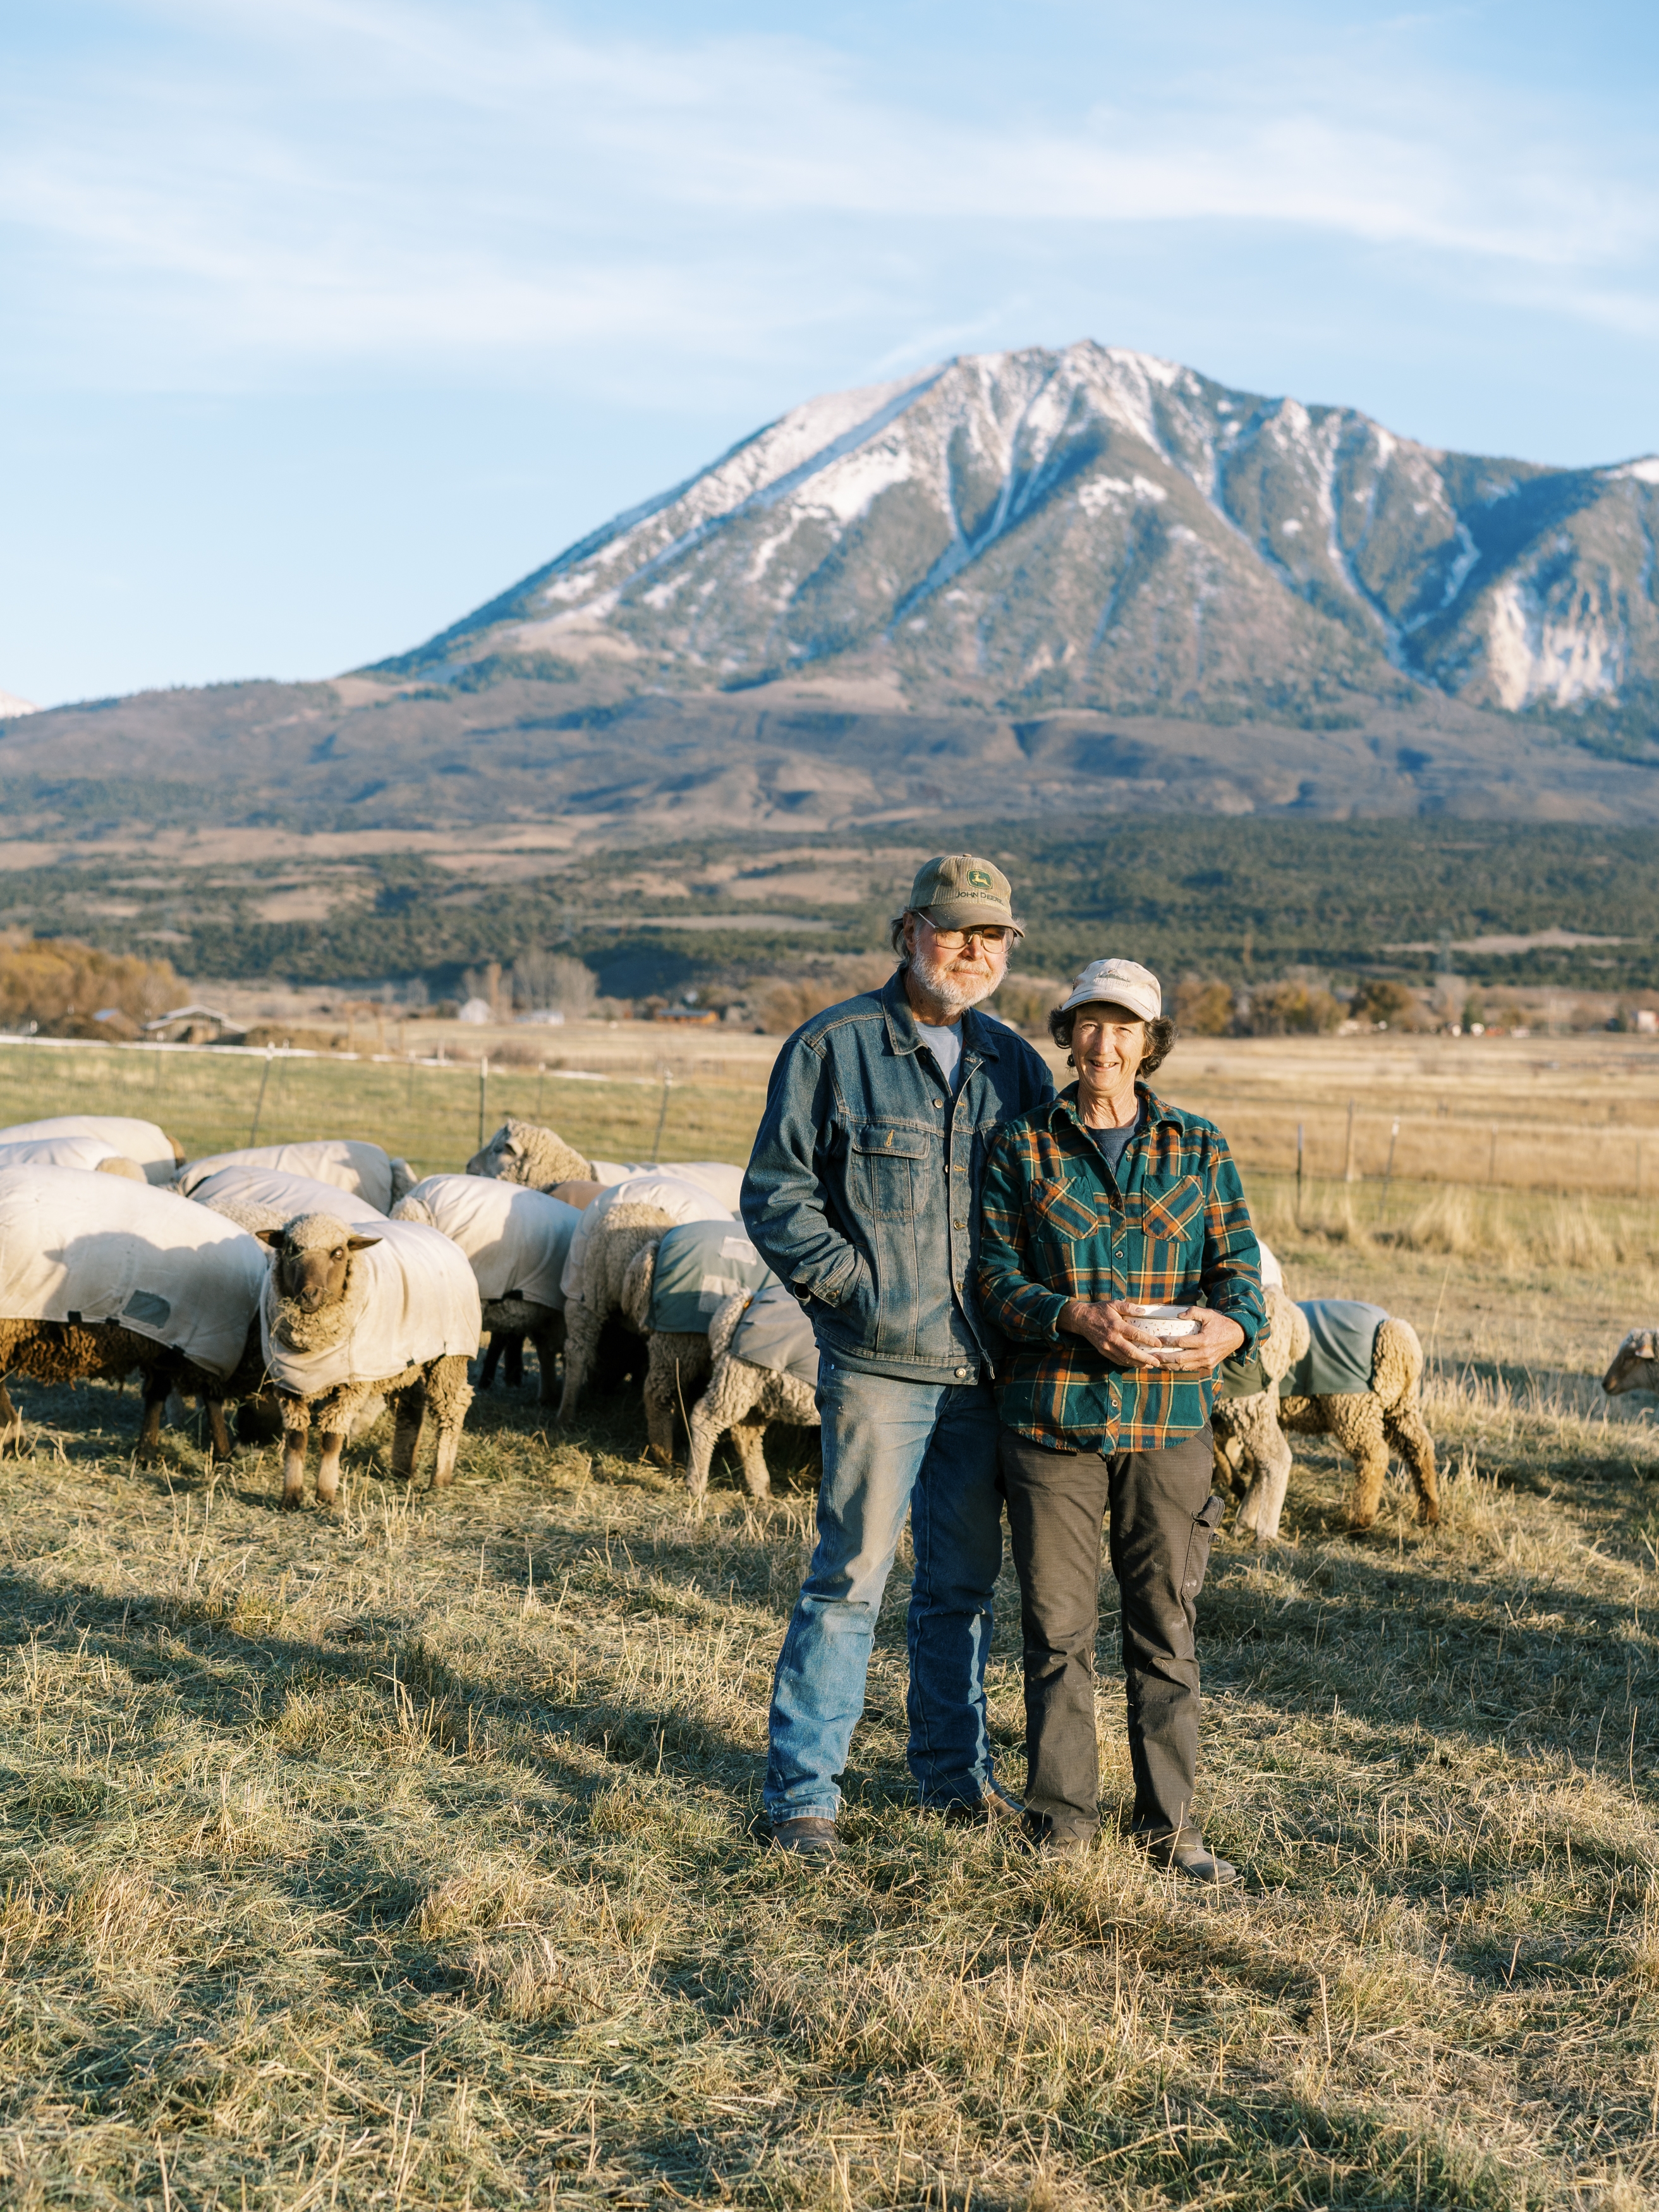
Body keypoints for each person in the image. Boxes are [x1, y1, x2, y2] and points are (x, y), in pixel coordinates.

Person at [742, 855, 1055, 1863]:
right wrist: (853, 1292)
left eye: (993, 936)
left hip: (986, 1372)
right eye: (956, 929)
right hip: (881, 1364)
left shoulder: (1015, 1066)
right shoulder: (833, 1047)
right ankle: (802, 1800)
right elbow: (777, 1194)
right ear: (908, 932)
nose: (973, 950)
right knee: (849, 1581)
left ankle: (952, 1781)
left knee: (961, 1587)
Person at [976, 957, 1264, 1883]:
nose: (1105, 1044)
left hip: (1170, 1422)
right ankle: (1061, 1821)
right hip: (1051, 1417)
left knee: (1162, 1628)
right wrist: (1072, 1316)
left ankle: (1168, 1828)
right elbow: (991, 1276)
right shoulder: (1021, 1145)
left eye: (1124, 1028)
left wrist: (1228, 1326)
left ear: (1150, 1044)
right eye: (1088, 1025)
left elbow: (1238, 1273)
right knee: (1058, 1631)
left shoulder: (1198, 1146)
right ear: (1065, 1035)